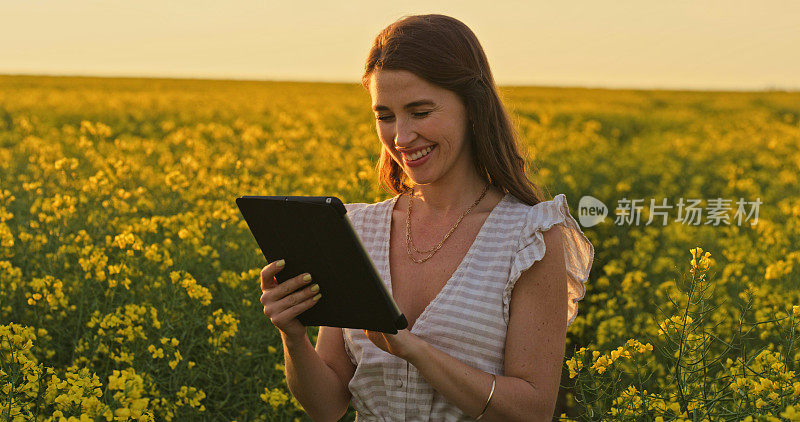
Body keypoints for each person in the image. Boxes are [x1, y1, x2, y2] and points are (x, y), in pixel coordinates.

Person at [259, 14, 594, 421]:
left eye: (419, 112)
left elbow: (532, 411)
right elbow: (328, 406)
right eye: (385, 116)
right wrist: (293, 336)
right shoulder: (360, 230)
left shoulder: (528, 238)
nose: (400, 138)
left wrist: (417, 352)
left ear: (472, 107)